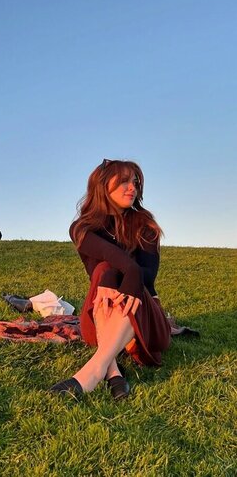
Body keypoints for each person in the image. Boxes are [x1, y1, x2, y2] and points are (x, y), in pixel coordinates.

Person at [50, 159, 171, 400]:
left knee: (109, 270)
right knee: (104, 269)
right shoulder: (83, 228)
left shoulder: (145, 225)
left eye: (135, 182)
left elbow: (146, 277)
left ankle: (98, 370)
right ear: (103, 185)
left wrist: (120, 273)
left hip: (145, 317)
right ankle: (111, 368)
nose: (132, 188)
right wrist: (119, 271)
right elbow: (117, 264)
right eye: (124, 181)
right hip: (99, 317)